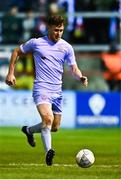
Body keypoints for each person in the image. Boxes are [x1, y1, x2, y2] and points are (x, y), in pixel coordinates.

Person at [5, 15, 88, 166]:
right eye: (56, 30)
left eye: (61, 30)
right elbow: (17, 51)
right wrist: (11, 73)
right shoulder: (37, 43)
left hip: (57, 91)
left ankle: (29, 131)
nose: (58, 33)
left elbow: (74, 68)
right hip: (41, 87)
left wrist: (80, 77)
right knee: (47, 119)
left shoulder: (66, 47)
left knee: (54, 126)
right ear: (49, 27)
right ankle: (48, 152)